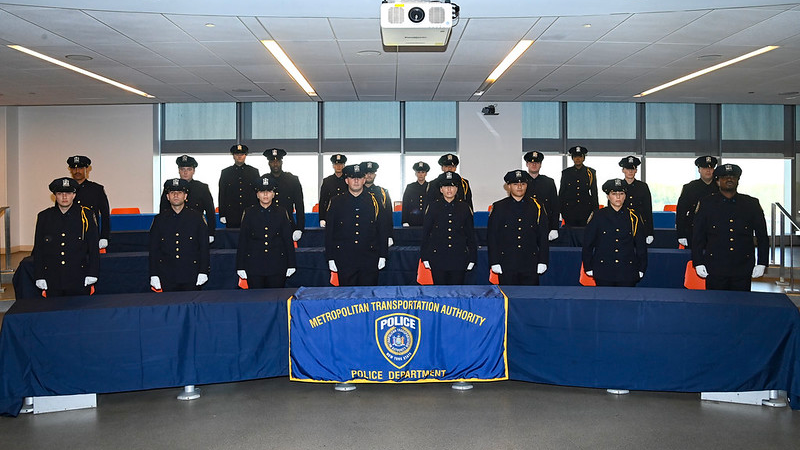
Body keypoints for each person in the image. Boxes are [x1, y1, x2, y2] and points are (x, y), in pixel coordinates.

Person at [691, 164, 768, 291]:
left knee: (741, 306)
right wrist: (698, 262)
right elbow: (698, 236)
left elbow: (762, 236)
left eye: (733, 177)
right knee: (715, 306)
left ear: (738, 180)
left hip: (742, 266)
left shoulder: (751, 204)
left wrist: (762, 262)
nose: (729, 179)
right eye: (724, 177)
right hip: (715, 266)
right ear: (717, 181)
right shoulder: (707, 203)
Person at [32, 177, 99, 297]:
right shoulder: (44, 217)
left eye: (68, 193)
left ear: (74, 195)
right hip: (53, 277)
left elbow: (93, 247)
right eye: (60, 193)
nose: (64, 197)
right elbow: (39, 249)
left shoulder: (86, 215)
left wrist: (93, 273)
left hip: (78, 276)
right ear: (54, 196)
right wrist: (39, 275)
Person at [325, 163, 389, 286]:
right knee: (347, 299)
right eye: (352, 177)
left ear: (364, 180)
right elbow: (330, 232)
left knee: (368, 298)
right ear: (346, 180)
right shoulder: (336, 202)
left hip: (369, 258)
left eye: (359, 177)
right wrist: (330, 257)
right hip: (345, 258)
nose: (356, 181)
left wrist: (383, 255)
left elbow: (382, 229)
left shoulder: (375, 201)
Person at [582, 179, 647, 287]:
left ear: (625, 196)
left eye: (621, 194)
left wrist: (641, 267)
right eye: (614, 194)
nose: (618, 197)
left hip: (627, 271)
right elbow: (588, 243)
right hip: (603, 271)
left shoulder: (634, 216)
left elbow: (641, 245)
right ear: (608, 196)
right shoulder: (598, 216)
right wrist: (588, 266)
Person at [488, 170, 549, 285]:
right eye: (515, 184)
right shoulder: (499, 207)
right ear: (509, 186)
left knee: (530, 299)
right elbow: (492, 237)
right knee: (508, 299)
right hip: (506, 263)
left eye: (523, 184)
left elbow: (542, 236)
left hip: (530, 263)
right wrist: (494, 261)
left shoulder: (537, 206)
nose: (519, 187)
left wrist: (543, 261)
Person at [149, 178, 210, 292]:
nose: (176, 195)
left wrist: (203, 271)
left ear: (185, 196)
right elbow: (154, 249)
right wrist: (154, 274)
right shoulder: (159, 219)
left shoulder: (197, 218)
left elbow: (204, 248)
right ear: (167, 197)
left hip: (191, 274)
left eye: (179, 192)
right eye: (172, 192)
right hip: (167, 275)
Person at [236, 176, 297, 289]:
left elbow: (287, 240)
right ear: (257, 194)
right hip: (254, 265)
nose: (265, 195)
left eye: (269, 191)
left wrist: (291, 264)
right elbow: (243, 240)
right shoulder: (249, 213)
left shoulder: (281, 212)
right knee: (256, 301)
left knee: (276, 299)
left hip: (277, 265)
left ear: (273, 194)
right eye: (261, 191)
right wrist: (240, 266)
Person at [421, 171, 477, 285]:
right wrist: (425, 257)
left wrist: (472, 258)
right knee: (440, 294)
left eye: (452, 186)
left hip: (459, 258)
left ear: (457, 189)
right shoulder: (433, 207)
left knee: (457, 293)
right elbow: (426, 234)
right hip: (438, 258)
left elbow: (470, 234)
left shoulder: (464, 207)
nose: (449, 190)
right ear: (441, 189)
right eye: (446, 186)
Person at [160, 155, 216, 243]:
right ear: (179, 171)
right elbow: (163, 209)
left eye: (189, 169)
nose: (185, 172)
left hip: (196, 229)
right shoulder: (169, 186)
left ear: (193, 171)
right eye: (182, 169)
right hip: (174, 229)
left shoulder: (202, 188)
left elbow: (210, 212)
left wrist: (211, 233)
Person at [67, 155, 111, 250]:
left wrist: (104, 236)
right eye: (74, 168)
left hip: (90, 236)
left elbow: (105, 214)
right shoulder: (65, 190)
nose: (77, 171)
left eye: (80, 168)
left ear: (87, 169)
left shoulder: (96, 189)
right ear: (70, 170)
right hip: (69, 237)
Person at [676, 156, 719, 248]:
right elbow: (681, 211)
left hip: (717, 232)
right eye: (704, 168)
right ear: (699, 170)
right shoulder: (690, 188)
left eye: (711, 168)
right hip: (694, 230)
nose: (708, 171)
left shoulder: (721, 188)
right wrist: (681, 234)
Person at [263, 148, 305, 243]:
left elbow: (299, 205)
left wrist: (300, 228)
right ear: (269, 163)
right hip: (266, 225)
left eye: (277, 161)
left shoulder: (292, 180)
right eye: (272, 161)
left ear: (281, 162)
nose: (275, 164)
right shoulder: (263, 180)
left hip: (287, 225)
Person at [218, 144, 259, 228]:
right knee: (232, 239)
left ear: (245, 155)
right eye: (237, 154)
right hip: (231, 214)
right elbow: (222, 194)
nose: (239, 157)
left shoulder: (253, 172)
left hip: (250, 213)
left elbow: (258, 193)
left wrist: (258, 211)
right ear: (233, 156)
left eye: (242, 154)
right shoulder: (226, 172)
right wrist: (222, 214)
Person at [523, 151, 560, 241]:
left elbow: (555, 206)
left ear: (541, 165)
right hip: (524, 224)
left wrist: (555, 227)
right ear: (527, 164)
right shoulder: (520, 182)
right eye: (531, 162)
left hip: (545, 225)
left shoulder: (549, 182)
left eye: (537, 162)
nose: (534, 164)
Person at [618, 156, 654, 245]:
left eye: (633, 169)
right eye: (627, 168)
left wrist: (650, 232)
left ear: (636, 170)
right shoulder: (617, 186)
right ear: (623, 170)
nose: (630, 171)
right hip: (621, 226)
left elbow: (648, 210)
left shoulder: (643, 186)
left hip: (639, 226)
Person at [560, 146, 598, 227]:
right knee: (570, 235)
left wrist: (595, 211)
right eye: (575, 156)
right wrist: (561, 210)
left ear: (584, 158)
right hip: (569, 211)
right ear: (572, 158)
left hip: (585, 211)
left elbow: (594, 192)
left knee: (585, 236)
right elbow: (562, 192)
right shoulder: (566, 173)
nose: (578, 159)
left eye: (580, 156)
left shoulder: (590, 172)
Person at [362, 161, 394, 246]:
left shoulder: (383, 191)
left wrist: (389, 235)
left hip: (378, 232)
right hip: (360, 232)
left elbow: (388, 214)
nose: (369, 175)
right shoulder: (356, 191)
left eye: (371, 173)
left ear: (375, 175)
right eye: (366, 173)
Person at [318, 154, 348, 227]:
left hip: (346, 215)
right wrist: (322, 218)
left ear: (344, 166)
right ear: (333, 166)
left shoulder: (348, 180)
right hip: (331, 215)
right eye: (336, 164)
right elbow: (322, 201)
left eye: (341, 164)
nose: (338, 166)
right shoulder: (327, 181)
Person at [402, 161, 430, 227]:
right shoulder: (410, 187)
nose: (420, 174)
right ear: (415, 174)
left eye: (423, 172)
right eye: (418, 172)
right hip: (412, 220)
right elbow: (405, 204)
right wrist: (405, 221)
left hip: (427, 219)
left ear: (426, 174)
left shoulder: (431, 186)